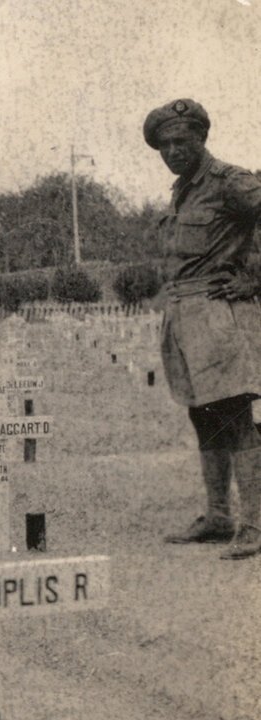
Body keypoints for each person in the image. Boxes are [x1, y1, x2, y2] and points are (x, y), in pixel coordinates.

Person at [144, 98, 261, 559]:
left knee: (234, 416)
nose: (173, 151)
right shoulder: (182, 190)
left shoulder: (230, 182)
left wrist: (256, 279)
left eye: (181, 141)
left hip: (217, 314)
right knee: (202, 415)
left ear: (201, 138)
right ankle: (218, 516)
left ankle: (254, 524)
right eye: (164, 145)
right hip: (182, 315)